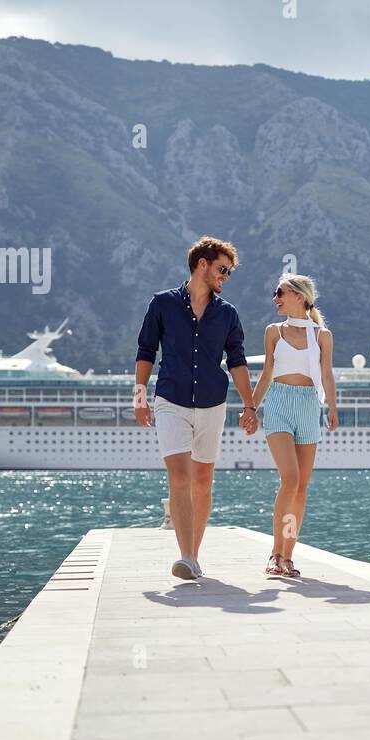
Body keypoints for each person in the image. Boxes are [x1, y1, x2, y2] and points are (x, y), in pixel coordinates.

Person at [134, 237, 259, 580]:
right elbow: (146, 351)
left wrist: (249, 406)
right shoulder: (162, 304)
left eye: (229, 272)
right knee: (179, 476)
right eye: (222, 269)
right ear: (202, 264)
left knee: (202, 480)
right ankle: (186, 556)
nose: (226, 276)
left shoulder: (228, 314)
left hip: (212, 402)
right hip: (170, 399)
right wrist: (140, 396)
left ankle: (195, 554)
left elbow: (237, 362)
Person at [250, 274, 338, 577]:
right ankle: (275, 554)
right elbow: (266, 374)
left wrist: (333, 410)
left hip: (309, 405)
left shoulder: (322, 336)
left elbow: (326, 375)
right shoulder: (273, 331)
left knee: (301, 488)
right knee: (290, 479)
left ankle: (288, 556)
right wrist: (250, 407)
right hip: (278, 402)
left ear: (299, 296)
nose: (275, 299)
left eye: (280, 293)